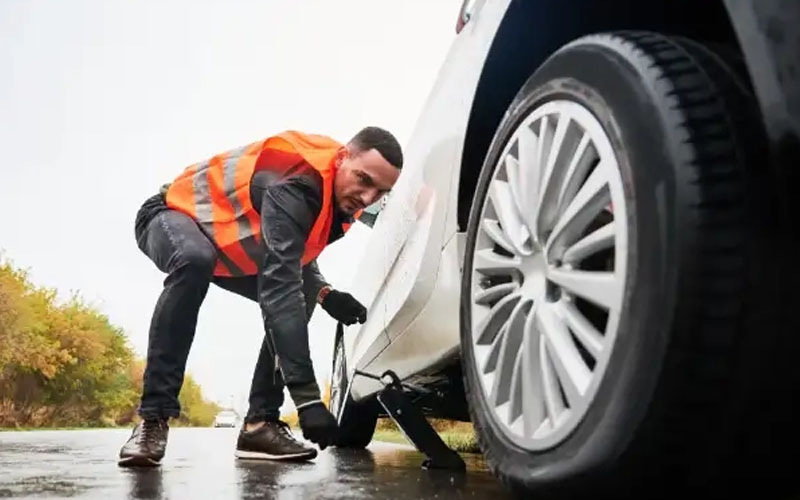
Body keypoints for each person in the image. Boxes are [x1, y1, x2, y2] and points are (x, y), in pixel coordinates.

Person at [118, 127, 402, 466]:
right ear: (342, 158)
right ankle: (152, 419)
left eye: (380, 191)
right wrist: (308, 399)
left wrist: (325, 294)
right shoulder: (296, 183)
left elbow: (295, 258)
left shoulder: (340, 199)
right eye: (363, 179)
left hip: (226, 250)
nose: (368, 198)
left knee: (299, 293)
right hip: (169, 215)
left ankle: (260, 425)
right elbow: (280, 288)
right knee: (195, 262)